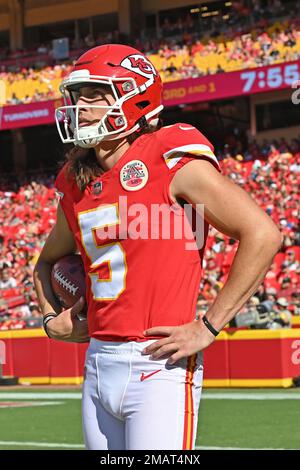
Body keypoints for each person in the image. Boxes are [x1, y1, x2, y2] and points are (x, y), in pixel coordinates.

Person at [33, 44, 282, 450]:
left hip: (158, 362)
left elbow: (263, 234)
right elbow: (45, 263)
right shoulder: (75, 179)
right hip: (97, 361)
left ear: (136, 98)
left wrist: (208, 325)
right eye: (78, 97)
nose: (81, 107)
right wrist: (50, 320)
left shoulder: (170, 157)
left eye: (95, 95)